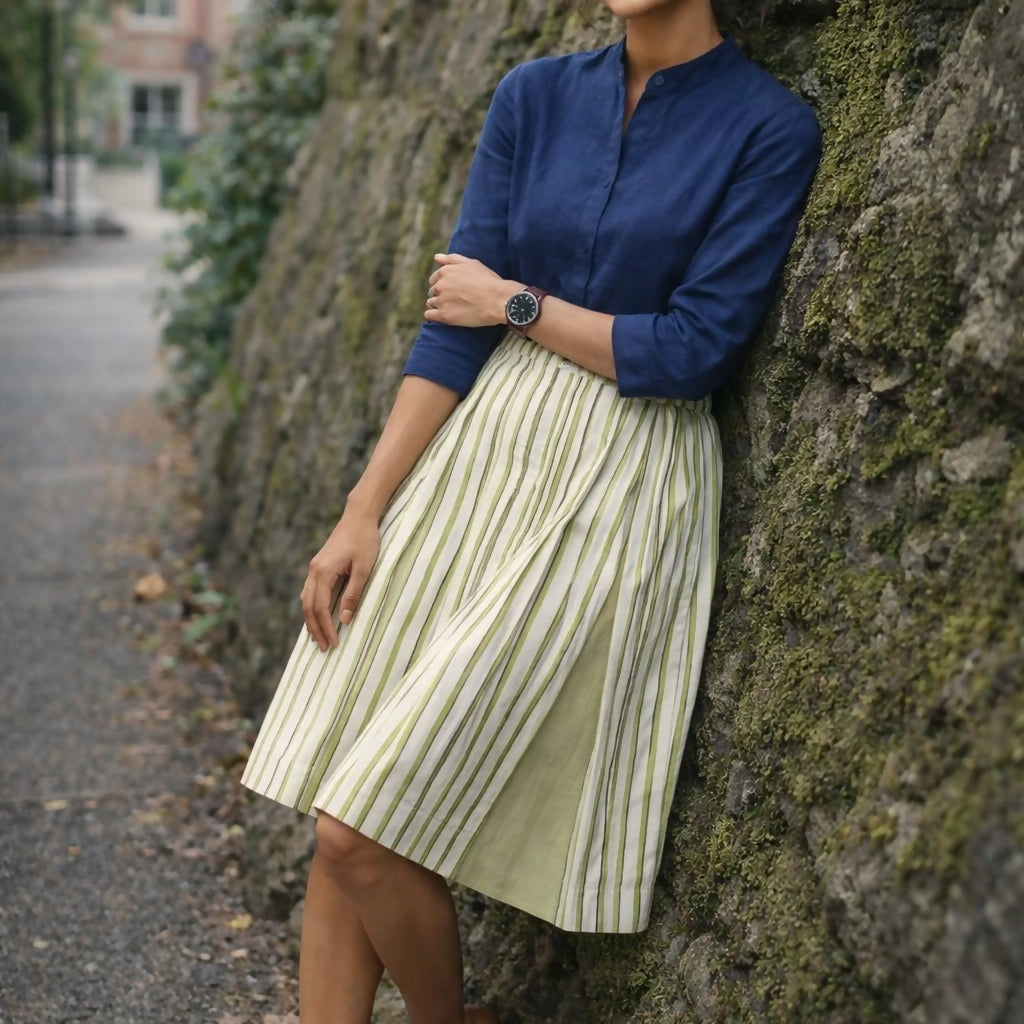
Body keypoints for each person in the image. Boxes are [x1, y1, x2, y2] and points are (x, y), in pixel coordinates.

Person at [239, 0, 823, 1021]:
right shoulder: (533, 96)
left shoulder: (769, 126)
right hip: (477, 460)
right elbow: (449, 329)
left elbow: (690, 351)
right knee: (341, 797)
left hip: (619, 473)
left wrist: (516, 304)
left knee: (356, 830)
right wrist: (363, 509)